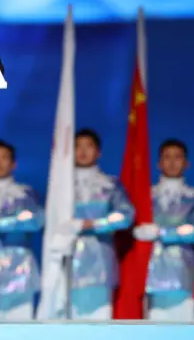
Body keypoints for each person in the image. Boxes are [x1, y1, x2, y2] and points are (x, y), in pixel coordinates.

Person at [133, 139, 194, 320]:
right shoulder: (145, 196)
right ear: (159, 163)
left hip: (186, 276)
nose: (173, 162)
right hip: (151, 276)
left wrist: (161, 233)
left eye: (178, 157)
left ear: (186, 163)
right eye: (167, 157)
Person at [65, 129, 134, 319]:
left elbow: (126, 215)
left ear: (98, 152)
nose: (83, 151)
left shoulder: (110, 184)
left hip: (100, 262)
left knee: (99, 320)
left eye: (89, 146)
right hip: (67, 260)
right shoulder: (61, 184)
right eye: (78, 146)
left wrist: (91, 224)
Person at [0, 140, 43, 322]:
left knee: (20, 329)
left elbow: (36, 220)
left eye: (4, 158)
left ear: (13, 163)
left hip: (20, 272)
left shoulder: (26, 194)